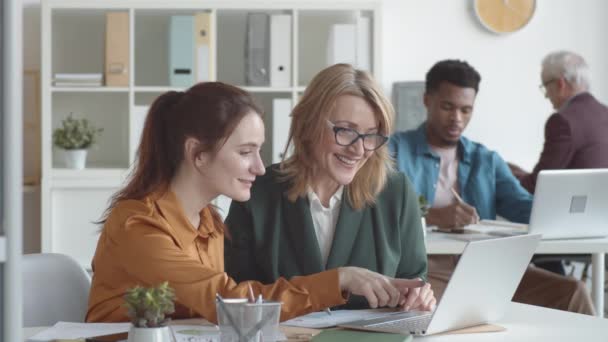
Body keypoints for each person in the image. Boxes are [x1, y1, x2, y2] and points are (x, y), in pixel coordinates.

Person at [86, 82, 427, 324]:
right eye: (246, 152)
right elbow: (232, 301)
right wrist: (339, 280)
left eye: (258, 151)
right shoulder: (140, 226)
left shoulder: (207, 222)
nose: (260, 167)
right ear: (197, 155)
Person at [389, 59, 595, 315]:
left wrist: (573, 213)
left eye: (466, 110)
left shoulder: (485, 160)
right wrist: (431, 216)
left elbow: (524, 207)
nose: (457, 118)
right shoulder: (393, 151)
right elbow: (378, 213)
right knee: (427, 311)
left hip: (487, 271)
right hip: (426, 273)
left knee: (572, 292)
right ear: (427, 100)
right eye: (447, 107)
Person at [224, 64, 436, 312]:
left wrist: (418, 296)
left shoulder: (396, 193)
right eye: (346, 131)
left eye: (371, 135)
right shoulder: (257, 191)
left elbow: (413, 282)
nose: (359, 150)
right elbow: (235, 298)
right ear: (309, 124)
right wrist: (338, 280)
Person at [509, 51, 608, 193]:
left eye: (545, 86)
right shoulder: (605, 112)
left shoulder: (563, 121)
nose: (547, 95)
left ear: (560, 84)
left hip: (573, 213)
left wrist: (503, 171)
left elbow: (537, 186)